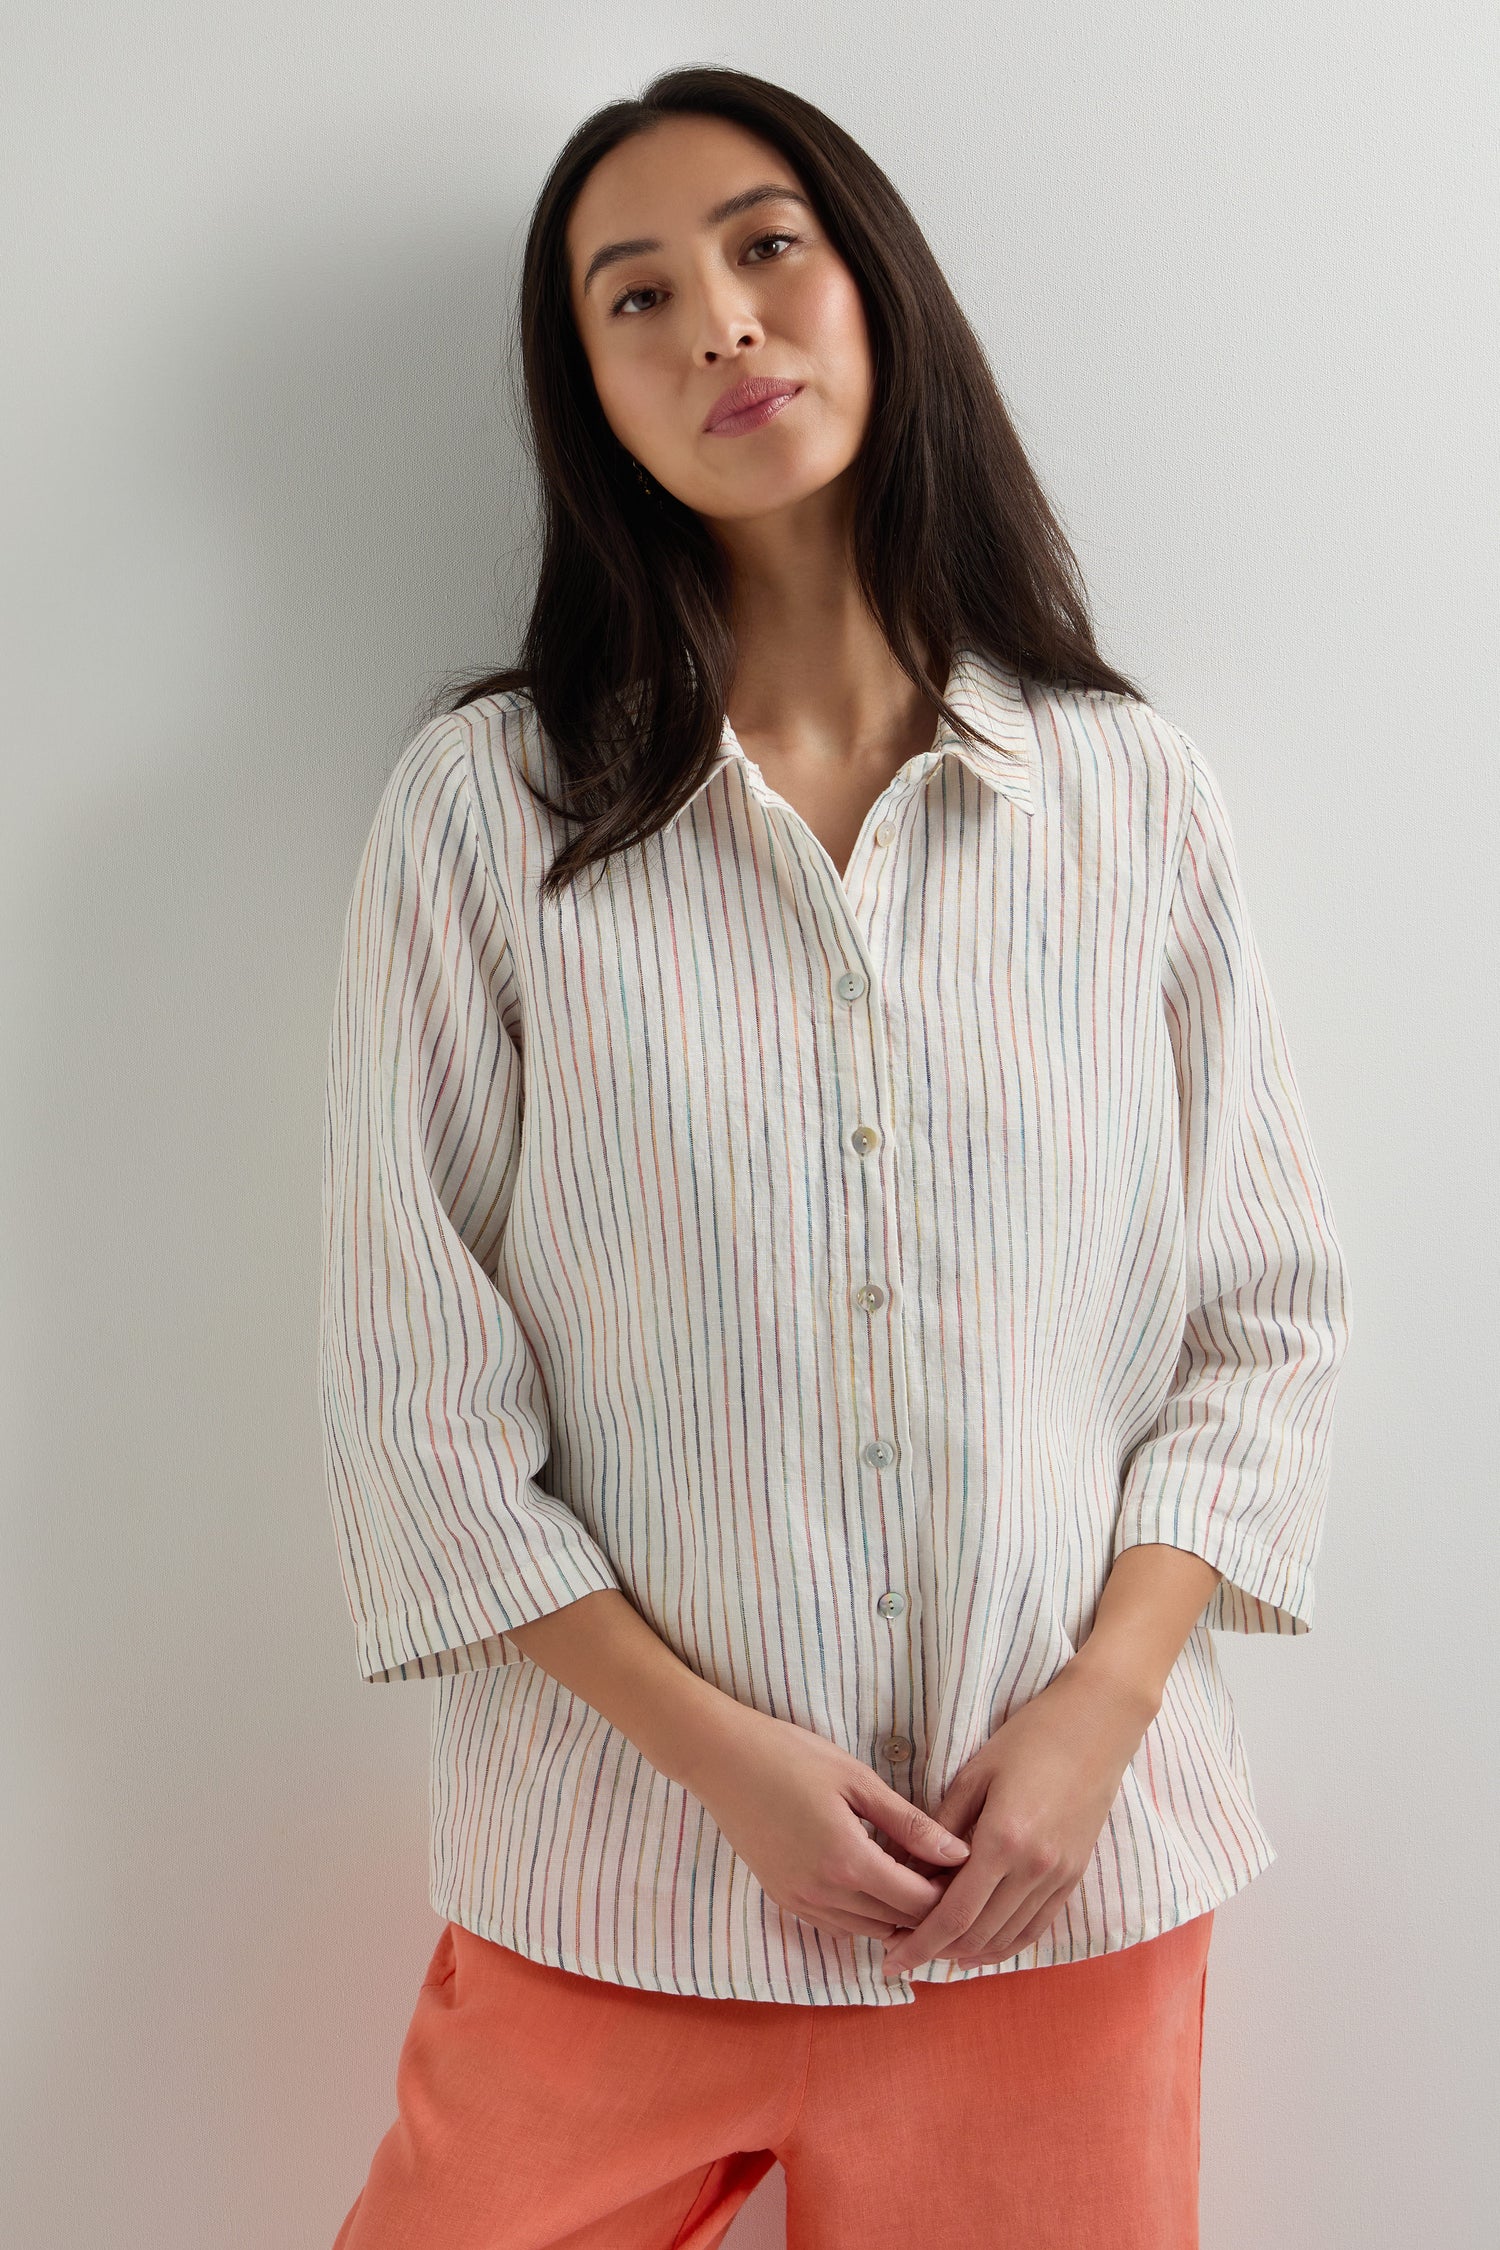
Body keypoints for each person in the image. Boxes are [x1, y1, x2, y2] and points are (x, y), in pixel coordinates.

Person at [317, 64, 1352, 2250]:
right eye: (636, 297)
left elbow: (1266, 1323)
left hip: (1056, 1908)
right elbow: (418, 1407)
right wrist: (722, 1765)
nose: (719, 324)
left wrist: (1098, 1713)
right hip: (608, 1895)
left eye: (766, 246)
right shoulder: (485, 821)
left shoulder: (1129, 798)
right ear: (587, 392)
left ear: (875, 291)